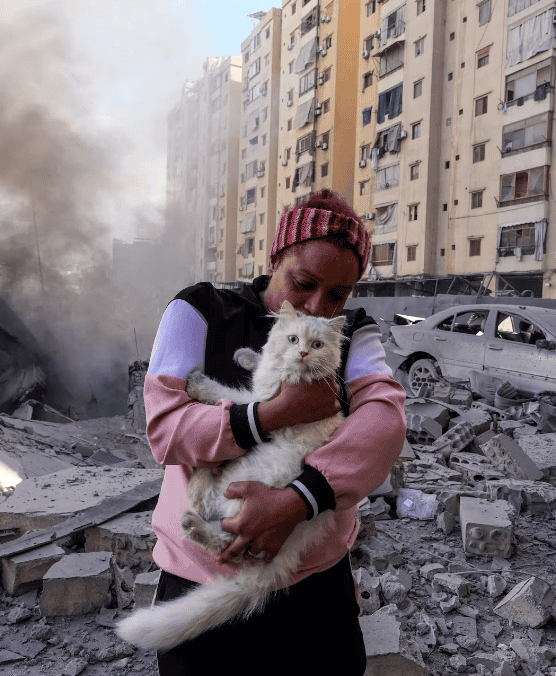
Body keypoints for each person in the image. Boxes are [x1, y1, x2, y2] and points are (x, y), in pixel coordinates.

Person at [142, 189, 406, 675]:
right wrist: (270, 415)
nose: (315, 306)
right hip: (201, 577)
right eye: (303, 282)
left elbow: (384, 423)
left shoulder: (353, 336)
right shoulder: (201, 310)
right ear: (276, 258)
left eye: (338, 295)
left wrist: (299, 500)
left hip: (312, 585)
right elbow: (165, 429)